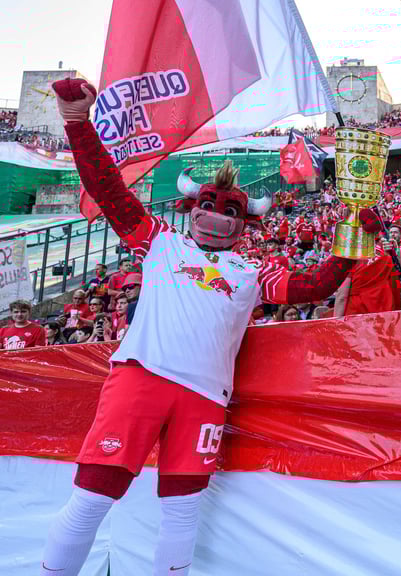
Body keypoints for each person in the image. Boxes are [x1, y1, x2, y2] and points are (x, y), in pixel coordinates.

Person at [40, 78, 365, 576]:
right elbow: (109, 190)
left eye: (230, 211)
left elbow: (313, 286)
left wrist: (353, 239)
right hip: (140, 379)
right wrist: (78, 124)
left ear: (245, 222)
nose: (216, 216)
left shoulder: (253, 273)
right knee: (92, 499)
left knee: (182, 511)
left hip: (207, 398)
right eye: (208, 205)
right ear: (193, 208)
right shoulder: (161, 242)